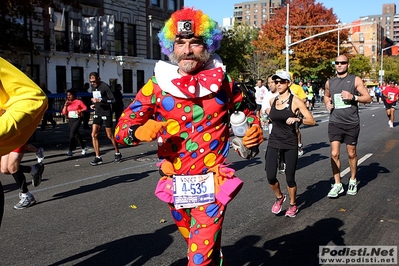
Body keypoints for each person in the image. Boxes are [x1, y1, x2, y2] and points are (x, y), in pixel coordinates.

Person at [114, 7, 263, 265]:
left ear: (207, 45)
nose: (187, 50)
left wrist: (252, 129)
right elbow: (121, 131)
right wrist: (137, 131)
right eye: (180, 43)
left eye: (195, 43)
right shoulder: (158, 86)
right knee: (201, 247)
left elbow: (247, 112)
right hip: (176, 184)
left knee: (197, 259)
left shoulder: (223, 82)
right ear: (171, 46)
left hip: (213, 183)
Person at [0, 57, 48, 218]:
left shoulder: (14, 87)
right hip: (6, 136)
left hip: (13, 132)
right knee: (4, 169)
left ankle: (26, 195)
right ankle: (34, 168)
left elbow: (34, 97)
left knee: (12, 168)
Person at [264, 71, 315, 217]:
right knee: (270, 175)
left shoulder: (296, 101)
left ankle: (292, 204)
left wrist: (298, 119)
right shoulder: (273, 101)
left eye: (282, 81)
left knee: (289, 177)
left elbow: (312, 121)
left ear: (289, 83)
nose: (278, 84)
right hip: (274, 141)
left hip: (290, 142)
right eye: (276, 82)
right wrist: (269, 120)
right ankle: (280, 197)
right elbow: (276, 119)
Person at [324, 55, 371, 198]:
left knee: (351, 153)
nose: (339, 65)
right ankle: (337, 184)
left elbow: (368, 98)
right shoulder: (329, 82)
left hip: (351, 123)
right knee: (334, 153)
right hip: (335, 122)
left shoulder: (355, 79)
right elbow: (326, 96)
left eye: (342, 63)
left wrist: (354, 97)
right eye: (337, 63)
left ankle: (352, 180)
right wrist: (327, 103)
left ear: (348, 65)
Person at [89, 72, 121, 165]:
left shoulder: (105, 86)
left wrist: (101, 100)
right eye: (91, 82)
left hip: (106, 112)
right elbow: (96, 99)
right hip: (98, 112)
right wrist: (94, 105)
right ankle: (98, 156)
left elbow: (113, 100)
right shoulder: (93, 88)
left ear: (98, 79)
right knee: (93, 134)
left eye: (94, 81)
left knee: (109, 135)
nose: (93, 83)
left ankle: (117, 152)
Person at [1, 143, 45, 209]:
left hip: (16, 138)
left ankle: (27, 196)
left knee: (12, 167)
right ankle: (35, 169)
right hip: (5, 140)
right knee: (5, 169)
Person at [62, 89, 89, 156]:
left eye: (70, 95)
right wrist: (65, 105)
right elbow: (64, 112)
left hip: (77, 119)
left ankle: (70, 149)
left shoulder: (78, 101)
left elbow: (85, 108)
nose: (68, 96)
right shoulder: (67, 103)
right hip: (70, 119)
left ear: (73, 95)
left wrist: (79, 110)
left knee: (72, 133)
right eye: (67, 95)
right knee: (76, 134)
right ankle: (84, 147)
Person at [288, 74, 307, 156]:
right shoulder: (282, 88)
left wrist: (297, 104)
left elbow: (304, 98)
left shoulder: (297, 87)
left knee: (295, 129)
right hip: (286, 111)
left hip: (297, 111)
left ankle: (299, 144)